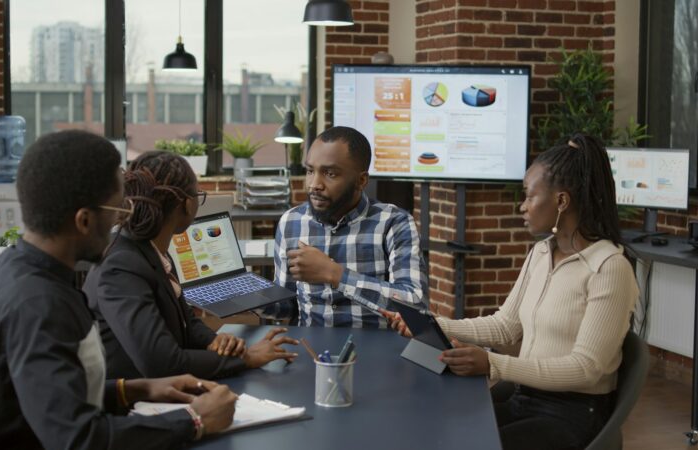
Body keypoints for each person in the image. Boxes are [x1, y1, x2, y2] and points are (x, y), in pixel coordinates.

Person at [0, 130, 238, 450]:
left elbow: (48, 394)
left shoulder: (3, 272)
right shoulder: (40, 306)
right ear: (84, 221)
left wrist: (134, 389)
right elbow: (78, 439)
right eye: (119, 212)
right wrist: (194, 420)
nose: (123, 224)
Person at [386, 134, 639, 450]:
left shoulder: (609, 267)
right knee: (437, 427)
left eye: (529, 197)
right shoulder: (541, 253)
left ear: (561, 201)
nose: (522, 206)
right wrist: (430, 324)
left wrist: (494, 365)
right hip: (526, 398)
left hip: (572, 414)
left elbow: (586, 369)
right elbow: (504, 326)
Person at [82, 150, 299, 381]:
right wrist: (245, 358)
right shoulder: (121, 265)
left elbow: (187, 320)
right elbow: (161, 363)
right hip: (133, 402)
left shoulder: (153, 250)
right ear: (186, 204)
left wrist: (213, 341)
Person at [264, 126, 428, 327]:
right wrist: (251, 299)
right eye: (310, 171)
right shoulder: (291, 222)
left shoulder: (394, 222)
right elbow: (286, 307)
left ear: (361, 180)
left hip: (378, 347)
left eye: (330, 174)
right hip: (311, 349)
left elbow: (415, 305)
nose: (314, 184)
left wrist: (334, 274)